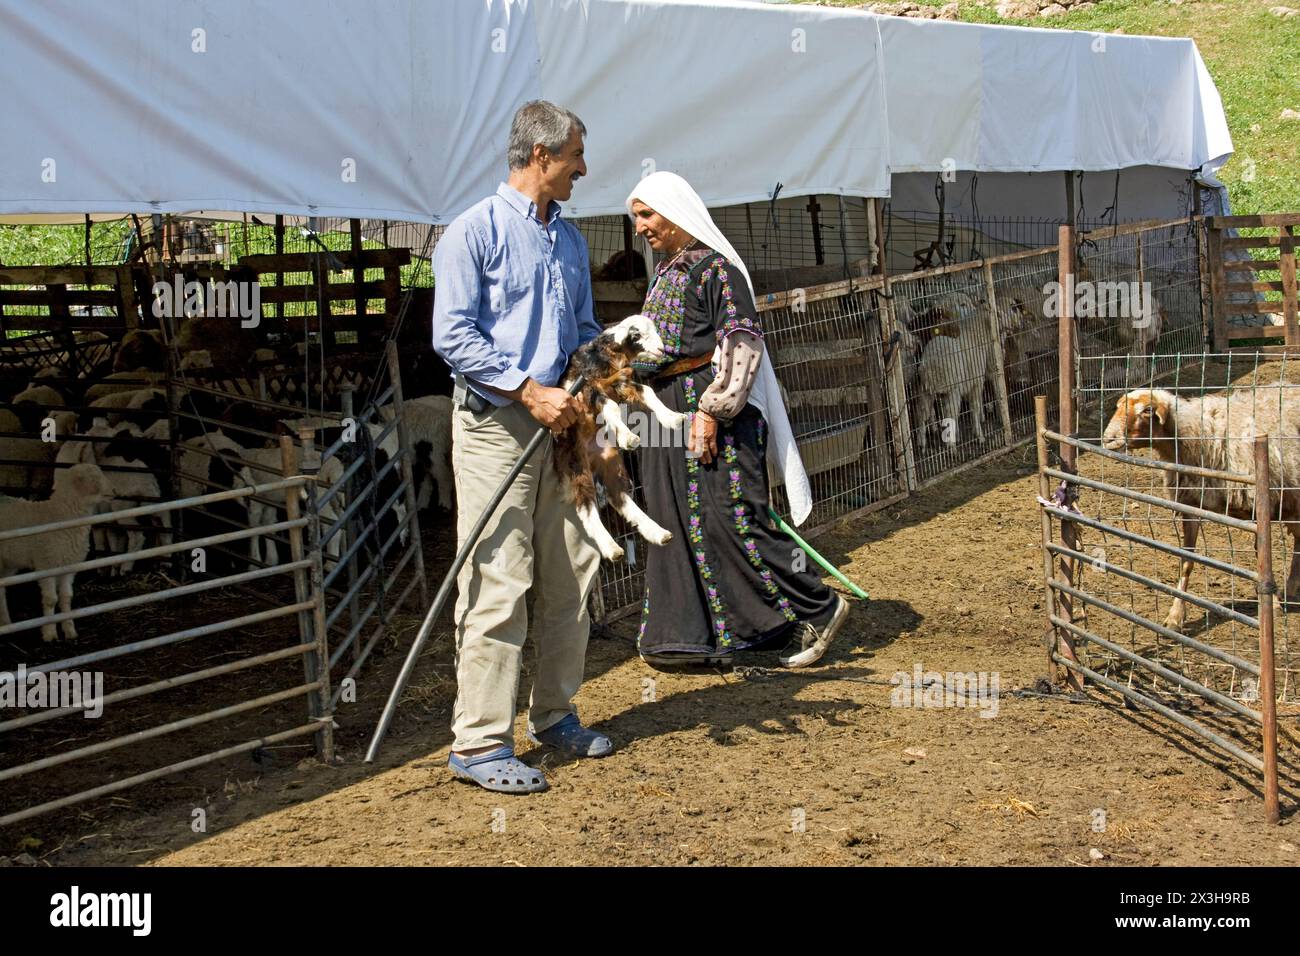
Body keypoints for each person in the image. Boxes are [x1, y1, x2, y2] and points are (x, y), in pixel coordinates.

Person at [431, 100, 609, 795]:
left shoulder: (569, 242)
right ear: (541, 156)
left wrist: (594, 374)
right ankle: (478, 743)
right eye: (574, 159)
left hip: (562, 426)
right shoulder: (471, 234)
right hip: (496, 427)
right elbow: (452, 336)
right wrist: (527, 389)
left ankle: (556, 714)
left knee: (573, 568)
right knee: (498, 578)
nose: (581, 170)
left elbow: (584, 328)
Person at [625, 171, 850, 670]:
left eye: (647, 214)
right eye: (635, 216)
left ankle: (821, 605)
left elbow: (741, 344)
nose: (640, 226)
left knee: (734, 518)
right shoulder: (667, 270)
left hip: (709, 414)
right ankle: (698, 635)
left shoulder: (717, 271)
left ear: (676, 212)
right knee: (677, 522)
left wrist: (710, 410)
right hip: (664, 414)